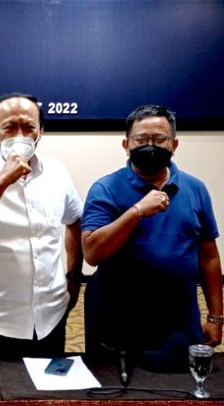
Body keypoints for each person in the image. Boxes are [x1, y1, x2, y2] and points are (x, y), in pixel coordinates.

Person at [81, 104, 223, 371]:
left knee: (183, 387)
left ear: (174, 145)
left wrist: (216, 317)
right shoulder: (105, 189)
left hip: (178, 320)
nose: (150, 146)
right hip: (119, 319)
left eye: (159, 140)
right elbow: (92, 253)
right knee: (117, 387)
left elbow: (209, 257)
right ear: (126, 144)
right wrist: (137, 211)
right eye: (141, 140)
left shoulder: (195, 188)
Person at [0, 93, 83, 359]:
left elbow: (75, 222)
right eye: (9, 127)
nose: (20, 136)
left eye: (29, 127)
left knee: (47, 386)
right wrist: (0, 182)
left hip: (50, 317)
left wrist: (73, 278)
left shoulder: (57, 172)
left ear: (40, 131)